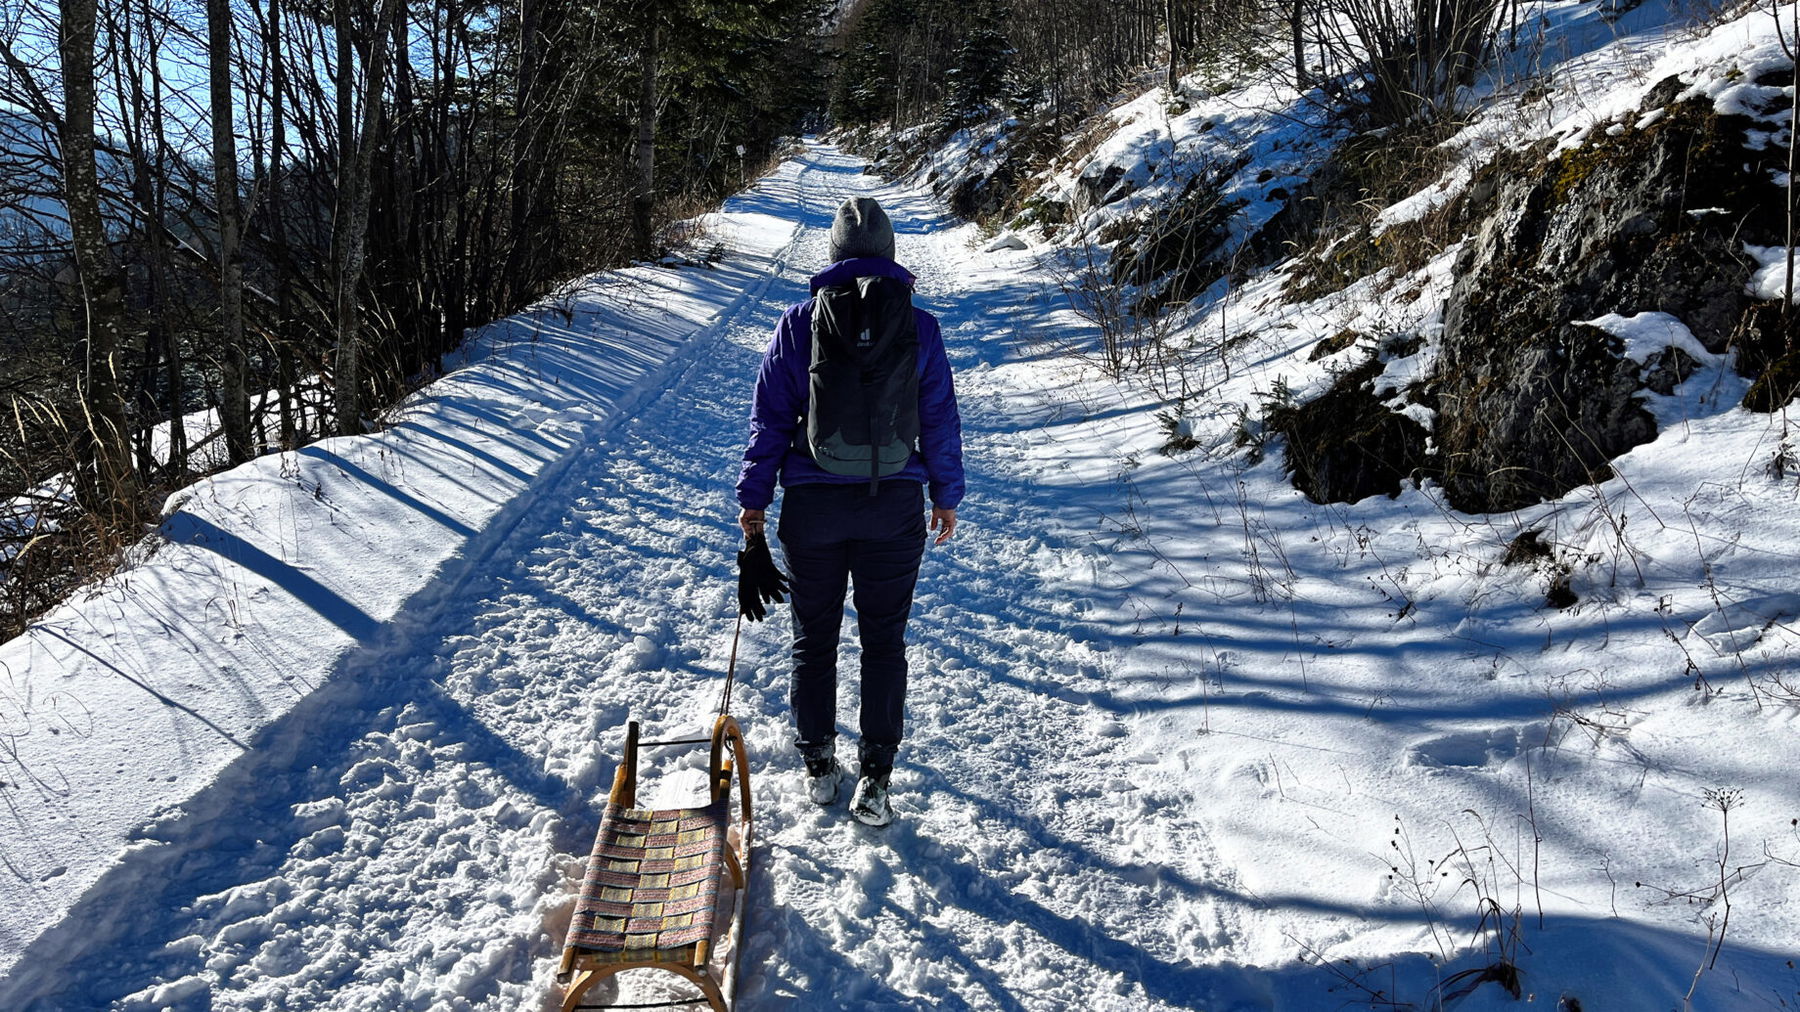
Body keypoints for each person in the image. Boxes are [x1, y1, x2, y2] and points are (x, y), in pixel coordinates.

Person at [735, 196, 964, 827]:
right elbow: (940, 419)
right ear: (891, 256)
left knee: (814, 639)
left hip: (812, 507)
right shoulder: (920, 327)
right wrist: (945, 495)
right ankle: (877, 780)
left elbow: (770, 423)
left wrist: (752, 508)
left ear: (832, 258)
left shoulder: (797, 324)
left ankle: (817, 767)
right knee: (884, 641)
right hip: (892, 507)